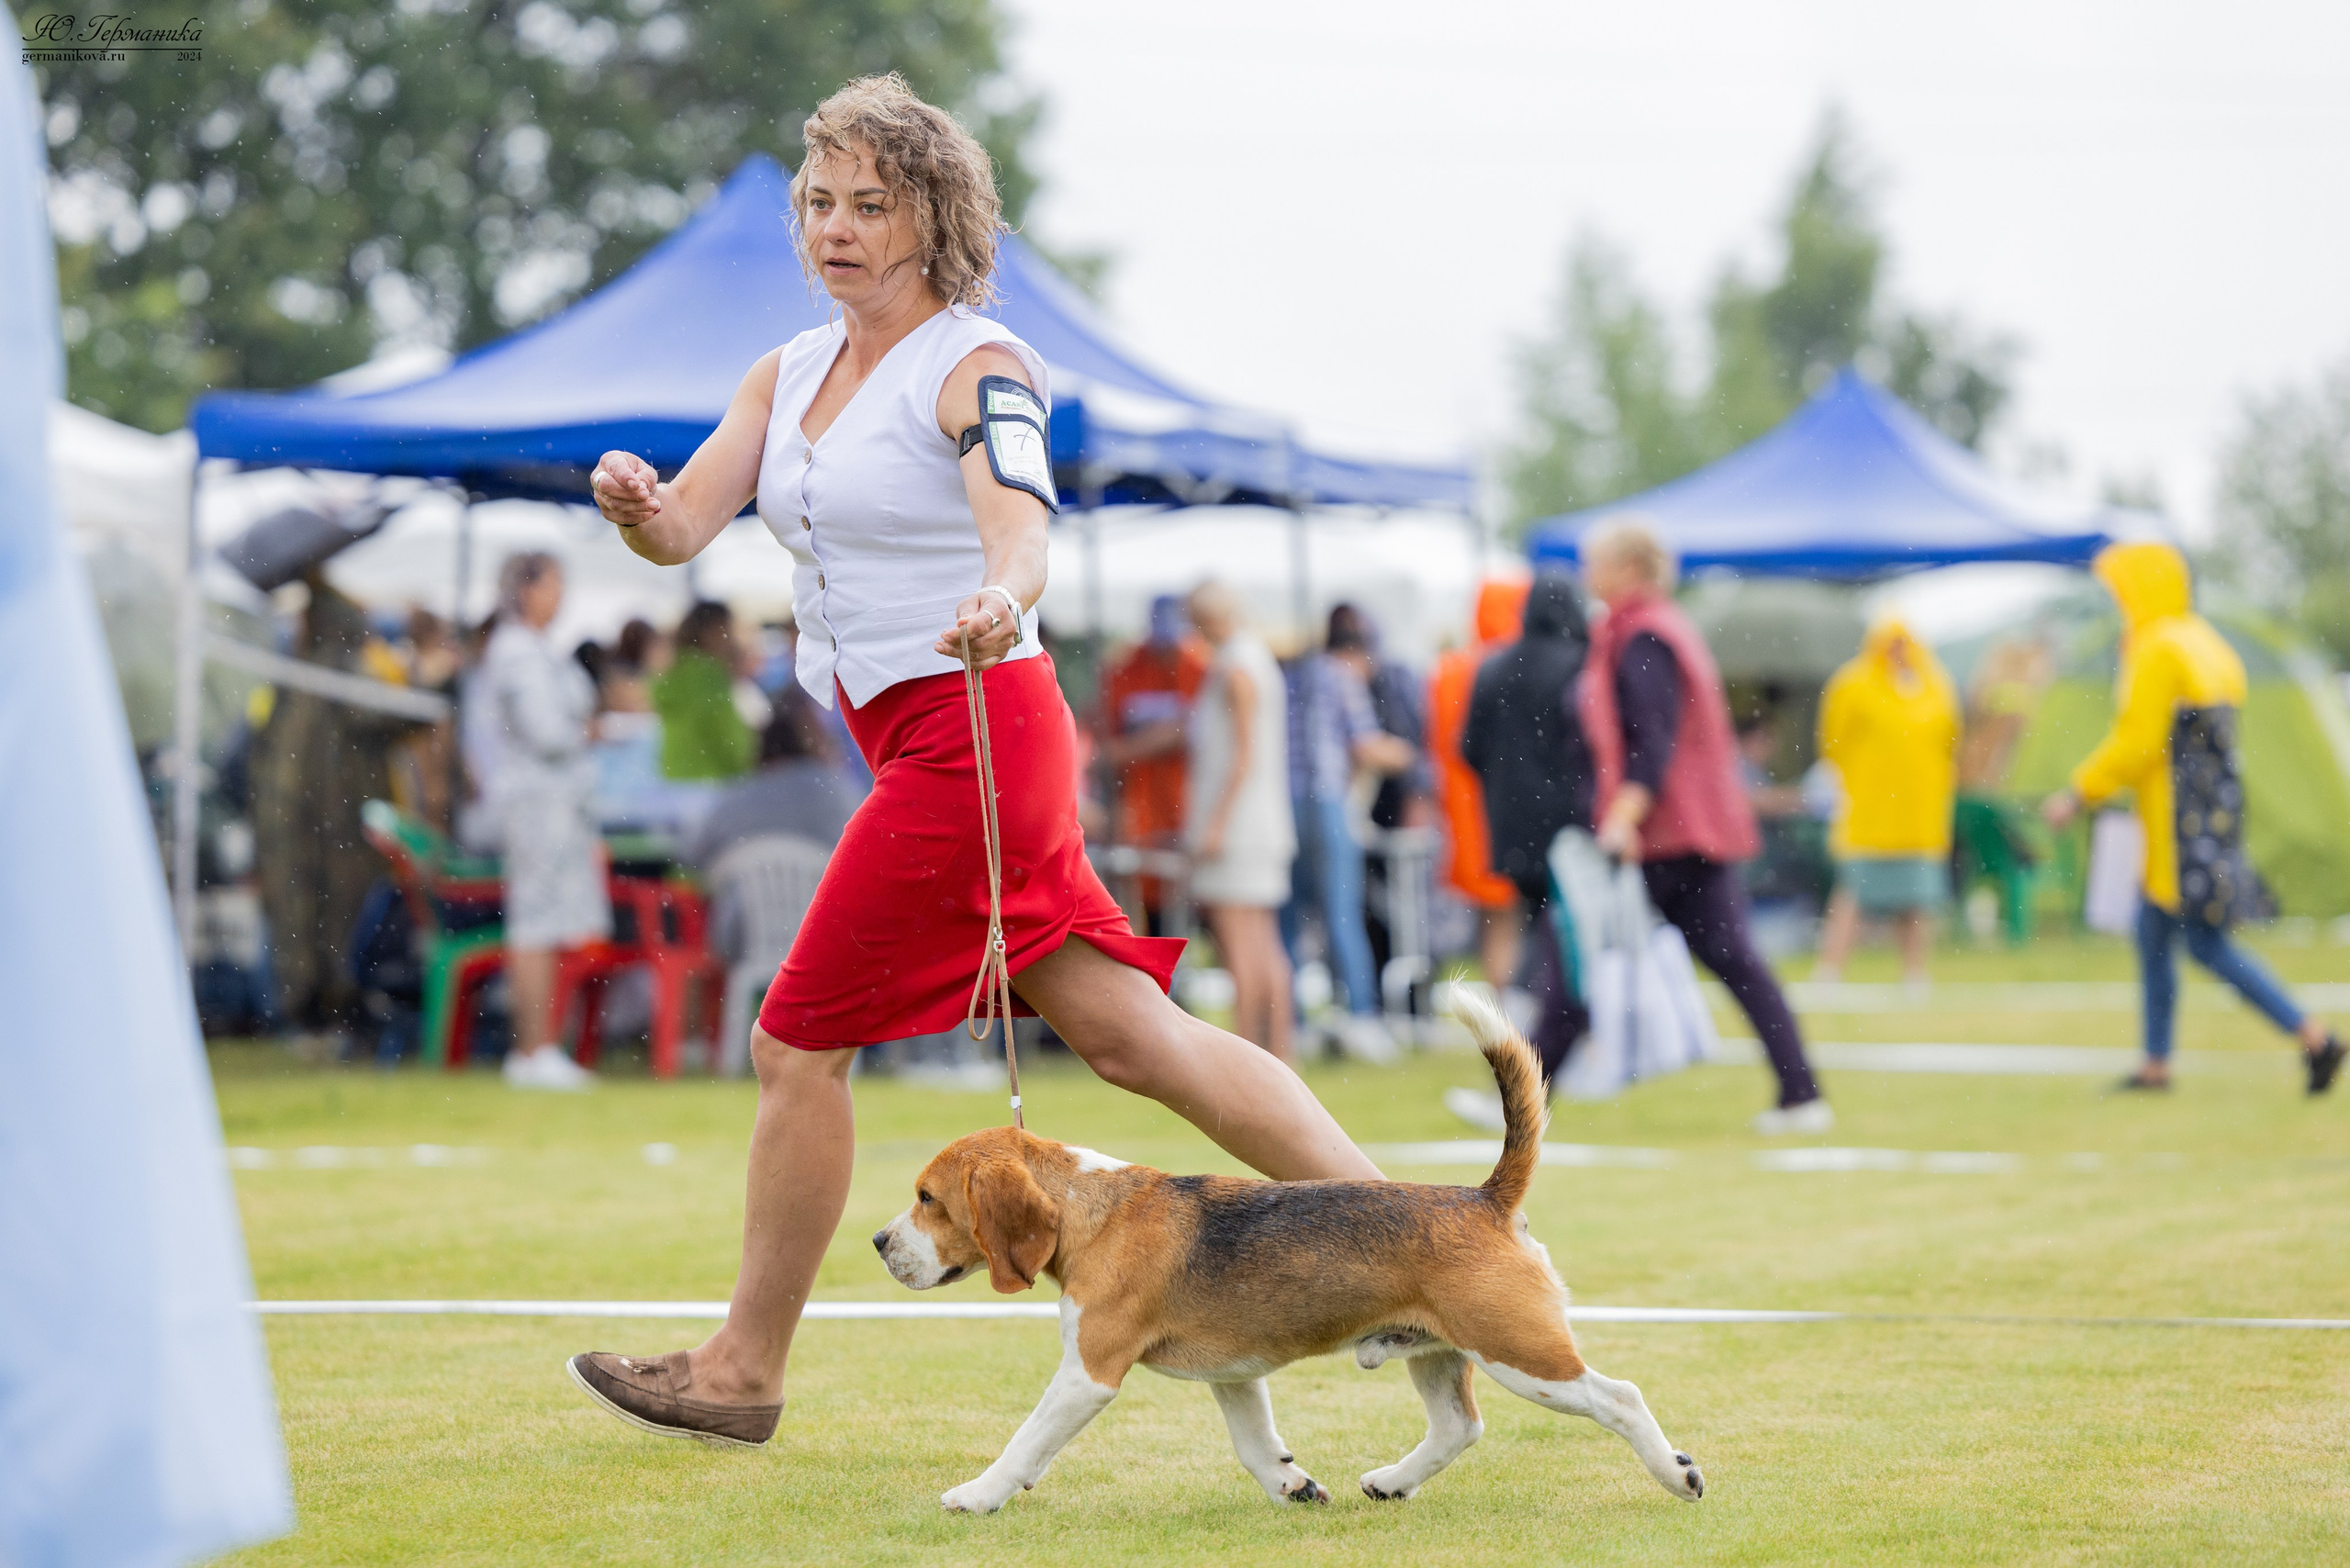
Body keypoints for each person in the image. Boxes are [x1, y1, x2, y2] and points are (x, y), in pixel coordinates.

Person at [568, 74, 1382, 1445]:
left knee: (791, 1044)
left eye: (869, 206)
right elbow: (689, 525)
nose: (836, 229)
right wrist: (639, 510)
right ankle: (1403, 1254)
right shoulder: (783, 369)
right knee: (1136, 1042)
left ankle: (740, 1370)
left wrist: (1005, 590)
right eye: (820, 204)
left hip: (975, 727)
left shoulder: (977, 362)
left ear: (933, 219)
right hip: (914, 737)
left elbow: (1020, 522)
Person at [2042, 543, 2344, 1093]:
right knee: (2151, 934)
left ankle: (2315, 1038)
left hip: (2174, 828)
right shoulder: (2208, 643)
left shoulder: (2157, 647)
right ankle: (2156, 1064)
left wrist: (2078, 793)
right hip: (2212, 818)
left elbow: (2138, 743)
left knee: (2206, 944)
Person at [1578, 519, 1830, 1135]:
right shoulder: (1658, 628)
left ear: (1632, 569)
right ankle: (1801, 1091)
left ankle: (1526, 1101)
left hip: (1673, 832)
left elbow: (1652, 741)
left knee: (1589, 957)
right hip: (1689, 826)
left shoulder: (1643, 638)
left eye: (1600, 563)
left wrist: (1624, 813)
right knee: (1730, 960)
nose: (1590, 575)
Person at [1454, 573, 1595, 1126]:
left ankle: (1533, 1048)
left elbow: (1467, 747)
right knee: (1567, 942)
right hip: (1572, 826)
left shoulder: (1492, 666)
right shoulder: (1581, 663)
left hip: (1512, 826)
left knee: (1536, 931)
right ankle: (1554, 1053)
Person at [476, 551, 608, 1092]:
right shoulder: (516, 651)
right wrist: (590, 733)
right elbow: (547, 732)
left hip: (556, 804)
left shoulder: (530, 648)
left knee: (552, 925)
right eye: (553, 585)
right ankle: (532, 1049)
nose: (560, 597)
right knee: (535, 926)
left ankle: (543, 1047)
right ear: (526, 590)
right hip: (537, 806)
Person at [1284, 608, 1415, 1047]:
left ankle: (1293, 1021)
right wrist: (1408, 755)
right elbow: (1365, 745)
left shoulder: (1294, 674)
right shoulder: (1341, 675)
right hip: (1328, 802)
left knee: (1292, 918)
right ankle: (1361, 1014)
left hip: (1288, 804)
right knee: (1343, 912)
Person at [1182, 580, 1298, 1062]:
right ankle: (1277, 1049)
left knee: (1240, 945)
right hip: (1262, 819)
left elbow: (1242, 755)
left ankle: (1250, 1049)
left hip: (1238, 825)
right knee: (1263, 941)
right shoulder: (1255, 658)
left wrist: (1214, 824)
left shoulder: (1234, 668)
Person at [1813, 619, 1960, 986]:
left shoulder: (1934, 684)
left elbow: (1949, 740)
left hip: (1918, 814)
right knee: (1853, 894)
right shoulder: (1853, 683)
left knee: (1916, 899)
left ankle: (1914, 974)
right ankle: (1830, 970)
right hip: (1870, 812)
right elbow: (1833, 741)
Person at [1427, 578, 1530, 987]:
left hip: (1462, 813)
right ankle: (1512, 1000)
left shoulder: (1450, 669)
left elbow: (1440, 744)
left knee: (1493, 918)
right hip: (1505, 809)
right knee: (1514, 919)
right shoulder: (1514, 666)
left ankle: (1501, 998)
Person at [1099, 593, 1209, 933]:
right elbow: (1106, 737)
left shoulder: (1199, 665)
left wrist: (1133, 747)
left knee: (1184, 903)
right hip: (1138, 806)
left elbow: (1191, 730)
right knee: (1136, 901)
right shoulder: (1125, 668)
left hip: (1185, 803)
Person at [652, 600, 756, 781]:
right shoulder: (708, 674)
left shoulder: (675, 670)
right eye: (728, 629)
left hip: (675, 776)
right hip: (712, 779)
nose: (731, 639)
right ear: (714, 630)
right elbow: (725, 734)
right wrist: (747, 765)